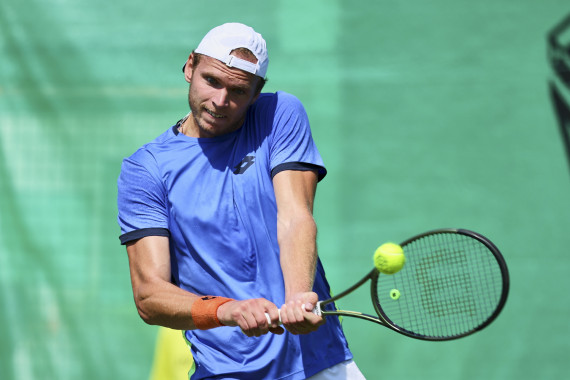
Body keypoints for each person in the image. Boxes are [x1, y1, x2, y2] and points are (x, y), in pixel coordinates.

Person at [117, 22, 365, 379]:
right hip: (227, 372)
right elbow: (150, 295)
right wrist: (229, 311)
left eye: (237, 90)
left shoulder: (278, 114)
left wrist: (297, 294)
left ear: (256, 92)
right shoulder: (146, 169)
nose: (220, 101)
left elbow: (295, 215)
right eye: (212, 81)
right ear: (190, 67)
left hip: (319, 365)